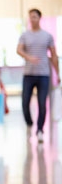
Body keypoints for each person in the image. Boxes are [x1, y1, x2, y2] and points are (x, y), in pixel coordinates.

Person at [16, 8, 58, 142]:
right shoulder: (25, 36)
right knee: (25, 102)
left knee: (42, 103)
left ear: (40, 18)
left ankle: (40, 130)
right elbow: (19, 50)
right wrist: (29, 57)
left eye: (34, 17)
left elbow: (54, 55)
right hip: (28, 74)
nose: (32, 19)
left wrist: (58, 73)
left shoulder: (47, 36)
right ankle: (29, 123)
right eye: (30, 17)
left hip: (43, 74)